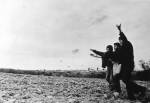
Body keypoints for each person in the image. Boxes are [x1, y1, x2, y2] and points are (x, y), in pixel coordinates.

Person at [114, 24, 147, 100]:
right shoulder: (121, 48)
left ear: (122, 40)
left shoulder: (127, 44)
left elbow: (124, 38)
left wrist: (119, 30)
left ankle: (140, 90)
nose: (120, 42)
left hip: (129, 65)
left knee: (125, 79)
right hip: (124, 66)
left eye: (121, 40)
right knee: (121, 78)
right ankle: (133, 94)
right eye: (120, 41)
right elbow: (116, 56)